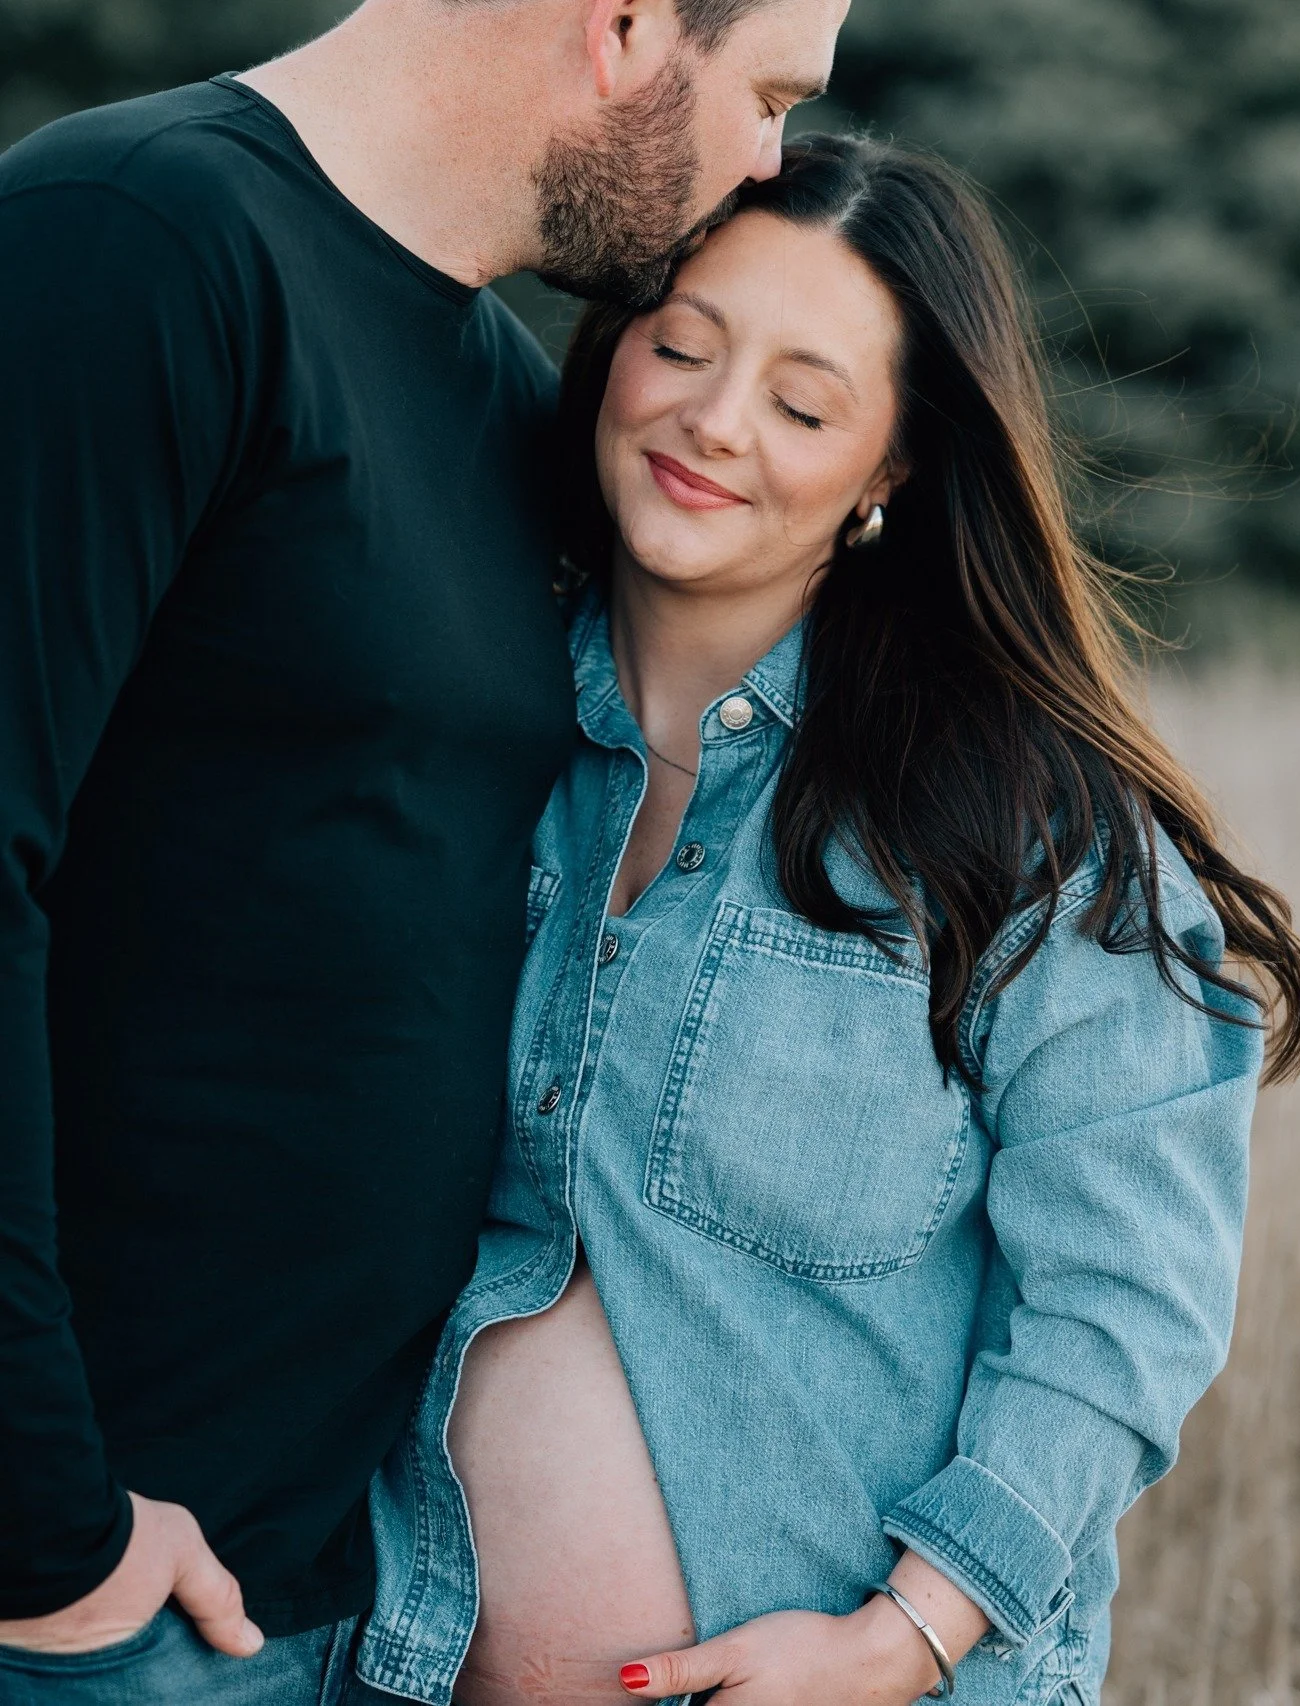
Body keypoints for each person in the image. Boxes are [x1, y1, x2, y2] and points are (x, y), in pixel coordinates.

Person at [411, 136, 1300, 1706]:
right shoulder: (462, 737)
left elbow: (1123, 1305)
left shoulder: (1023, 829)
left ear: (888, 474)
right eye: (684, 344)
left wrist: (904, 1634)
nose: (712, 421)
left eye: (802, 401)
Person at [0, 0, 846, 1699]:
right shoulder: (135, 241)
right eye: (767, 93)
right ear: (620, 27)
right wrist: (42, 1533)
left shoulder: (502, 389)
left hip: (334, 1584)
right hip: (104, 1593)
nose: (770, 155)